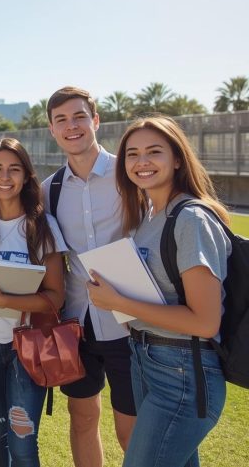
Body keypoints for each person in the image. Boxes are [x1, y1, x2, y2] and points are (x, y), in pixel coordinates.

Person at [87, 115, 230, 467]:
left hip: (182, 372)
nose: (141, 162)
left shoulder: (190, 219)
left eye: (154, 151)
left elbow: (206, 321)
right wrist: (121, 303)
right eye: (132, 154)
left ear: (177, 158)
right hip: (146, 360)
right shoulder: (149, 216)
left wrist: (119, 302)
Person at [43, 87, 136, 466]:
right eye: (61, 120)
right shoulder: (51, 189)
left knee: (131, 427)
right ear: (52, 130)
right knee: (82, 419)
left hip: (132, 323)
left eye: (79, 116)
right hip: (78, 325)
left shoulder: (129, 172)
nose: (72, 126)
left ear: (95, 121)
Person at [0, 138, 66, 466]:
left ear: (26, 177)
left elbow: (55, 298)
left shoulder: (43, 227)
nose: (5, 176)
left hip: (28, 347)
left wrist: (5, 300)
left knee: (22, 441)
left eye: (13, 169)